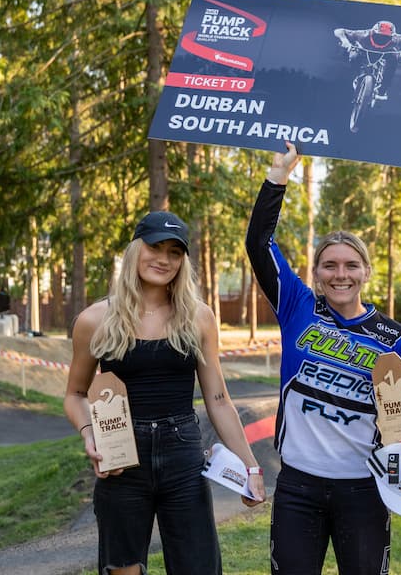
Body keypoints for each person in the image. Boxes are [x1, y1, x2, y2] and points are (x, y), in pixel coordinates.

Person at [63, 211, 265, 575]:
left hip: (183, 456)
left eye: (175, 252)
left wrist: (251, 466)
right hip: (122, 459)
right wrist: (89, 434)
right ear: (135, 250)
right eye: (155, 247)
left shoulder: (198, 317)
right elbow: (75, 394)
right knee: (123, 570)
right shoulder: (95, 320)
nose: (164, 259)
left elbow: (218, 400)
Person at [246, 142, 401, 575]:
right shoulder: (298, 307)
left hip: (364, 488)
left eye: (351, 265)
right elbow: (258, 243)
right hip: (298, 485)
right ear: (316, 273)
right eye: (329, 265)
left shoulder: (392, 337)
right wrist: (278, 176)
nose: (340, 274)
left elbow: (393, 415)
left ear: (366, 272)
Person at [334, 20, 401, 101]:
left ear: (392, 36)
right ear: (372, 32)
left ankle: (382, 90)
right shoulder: (363, 34)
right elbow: (339, 31)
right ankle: (357, 75)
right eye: (378, 36)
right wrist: (344, 40)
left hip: (386, 53)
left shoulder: (396, 39)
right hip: (364, 51)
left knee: (394, 59)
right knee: (353, 56)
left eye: (386, 37)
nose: (382, 39)